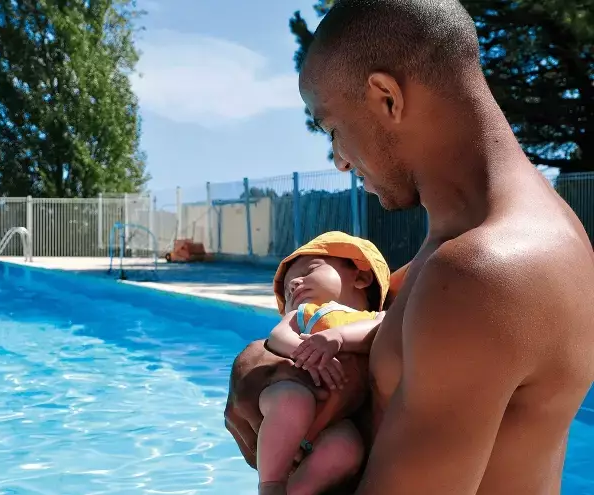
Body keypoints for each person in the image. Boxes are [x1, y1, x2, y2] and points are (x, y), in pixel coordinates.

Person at [225, 1, 594, 494]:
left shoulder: (486, 270)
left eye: (333, 129)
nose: (339, 160)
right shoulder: (464, 250)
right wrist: (255, 364)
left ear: (387, 98)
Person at [256, 231, 391, 495]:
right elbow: (278, 336)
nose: (294, 283)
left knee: (347, 448)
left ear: (361, 277)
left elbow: (379, 332)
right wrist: (304, 352)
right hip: (294, 392)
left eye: (310, 270)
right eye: (288, 287)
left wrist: (338, 337)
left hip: (338, 419)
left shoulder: (377, 317)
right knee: (293, 401)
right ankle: (271, 485)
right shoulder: (305, 313)